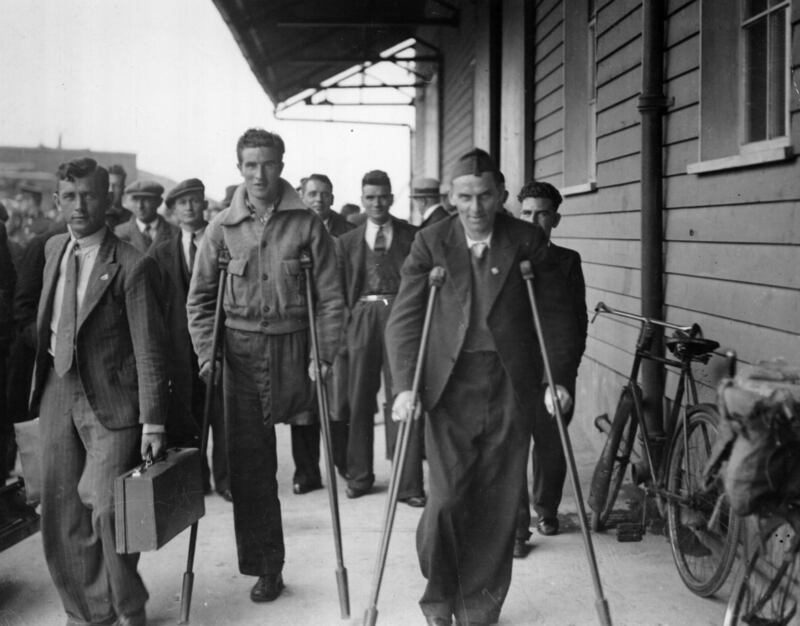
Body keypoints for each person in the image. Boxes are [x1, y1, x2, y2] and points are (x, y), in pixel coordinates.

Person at [385, 148, 572, 626]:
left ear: (501, 195)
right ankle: (439, 596)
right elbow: (405, 319)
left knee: (497, 500)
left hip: (511, 383)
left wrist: (557, 379)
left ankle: (478, 606)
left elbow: (554, 315)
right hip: (449, 385)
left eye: (485, 196)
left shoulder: (527, 240)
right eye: (464, 197)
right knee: (446, 501)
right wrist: (405, 386)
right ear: (451, 197)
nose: (474, 207)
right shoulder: (432, 242)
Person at [187, 129, 343, 603]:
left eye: (268, 164)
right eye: (250, 165)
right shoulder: (221, 227)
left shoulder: (307, 223)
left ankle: (307, 477)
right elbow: (200, 300)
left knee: (307, 445)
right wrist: (205, 352)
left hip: (296, 348)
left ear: (282, 164)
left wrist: (324, 352)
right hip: (239, 351)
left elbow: (332, 299)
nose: (260, 174)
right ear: (240, 169)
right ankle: (266, 566)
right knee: (250, 466)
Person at [29, 157, 169, 626]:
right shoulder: (52, 250)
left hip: (112, 399)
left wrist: (154, 420)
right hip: (57, 388)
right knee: (61, 512)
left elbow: (150, 349)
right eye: (69, 196)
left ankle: (126, 605)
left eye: (89, 195)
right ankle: (87, 612)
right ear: (57, 201)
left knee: (109, 511)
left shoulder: (131, 263)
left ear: (108, 199)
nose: (79, 206)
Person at [337, 170, 425, 506]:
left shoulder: (413, 236)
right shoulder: (346, 241)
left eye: (382, 196)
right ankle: (359, 476)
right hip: (362, 318)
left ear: (391, 197)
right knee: (359, 399)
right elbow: (338, 290)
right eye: (370, 197)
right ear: (362, 199)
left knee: (404, 396)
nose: (377, 203)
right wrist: (345, 331)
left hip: (401, 319)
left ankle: (409, 484)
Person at [514, 180, 587, 554]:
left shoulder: (567, 260)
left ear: (555, 219)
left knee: (550, 442)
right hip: (513, 367)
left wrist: (562, 375)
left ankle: (546, 509)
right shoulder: (504, 257)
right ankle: (515, 526)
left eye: (542, 213)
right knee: (510, 444)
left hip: (553, 367)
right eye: (526, 213)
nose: (533, 220)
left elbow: (576, 321)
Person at [149, 178, 231, 502]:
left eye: (195, 200)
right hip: (181, 352)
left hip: (219, 343)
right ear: (172, 210)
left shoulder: (222, 239)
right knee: (189, 416)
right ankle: (197, 479)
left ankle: (227, 480)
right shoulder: (162, 250)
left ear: (204, 203)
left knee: (223, 416)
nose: (189, 207)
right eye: (181, 203)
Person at [299, 173, 355, 481]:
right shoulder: (292, 228)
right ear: (303, 196)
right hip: (301, 324)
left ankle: (343, 464)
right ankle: (306, 472)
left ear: (332, 198)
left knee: (338, 402)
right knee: (304, 404)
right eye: (312, 194)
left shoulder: (348, 232)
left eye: (324, 194)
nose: (318, 199)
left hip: (336, 324)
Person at [114, 179, 178, 253]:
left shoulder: (175, 233)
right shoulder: (118, 232)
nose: (140, 206)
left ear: (159, 202)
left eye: (146, 200)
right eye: (135, 200)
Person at [106, 164, 133, 228]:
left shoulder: (132, 219)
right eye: (108, 185)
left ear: (123, 189)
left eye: (116, 186)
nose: (111, 190)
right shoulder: (95, 217)